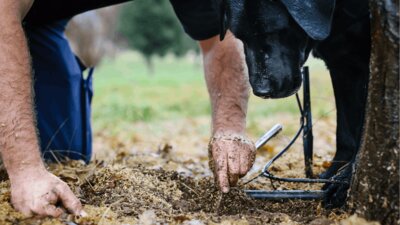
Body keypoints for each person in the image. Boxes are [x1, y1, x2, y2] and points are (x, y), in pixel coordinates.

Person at [0, 0, 255, 217]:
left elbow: (218, 38)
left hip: (40, 21)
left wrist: (230, 128)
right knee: (25, 170)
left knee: (63, 156)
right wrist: (25, 168)